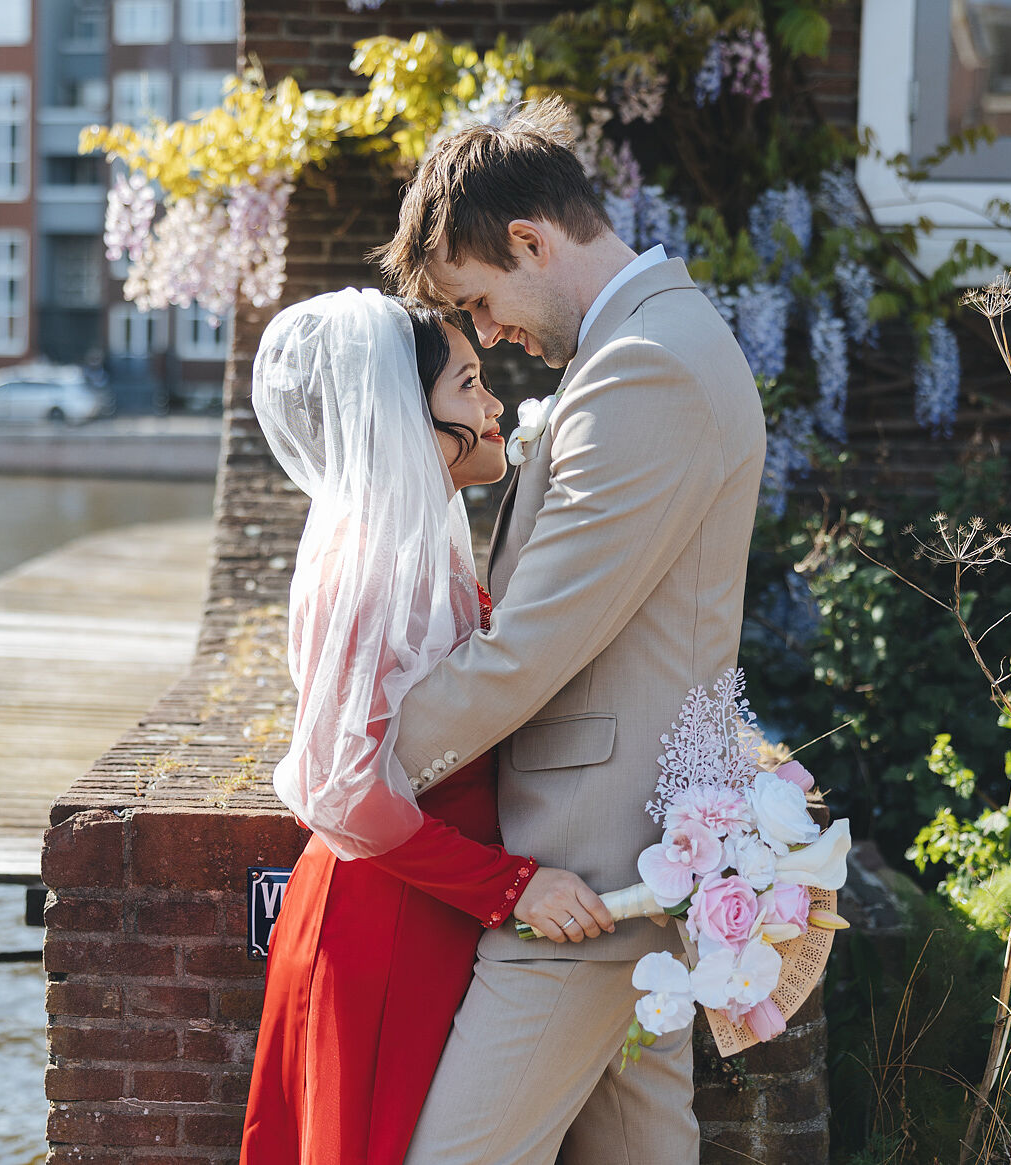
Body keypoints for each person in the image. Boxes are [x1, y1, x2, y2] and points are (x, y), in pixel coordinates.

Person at [369, 97, 767, 1164]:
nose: (488, 335)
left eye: (480, 300)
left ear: (532, 243)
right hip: (632, 848)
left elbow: (534, 644)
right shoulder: (652, 348)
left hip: (591, 867)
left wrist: (366, 758)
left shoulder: (642, 370)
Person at [239, 290, 614, 1165]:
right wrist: (510, 884)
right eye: (471, 384)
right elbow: (341, 788)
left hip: (419, 908)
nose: (493, 408)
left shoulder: (408, 540)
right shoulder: (376, 565)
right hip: (389, 923)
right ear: (408, 417)